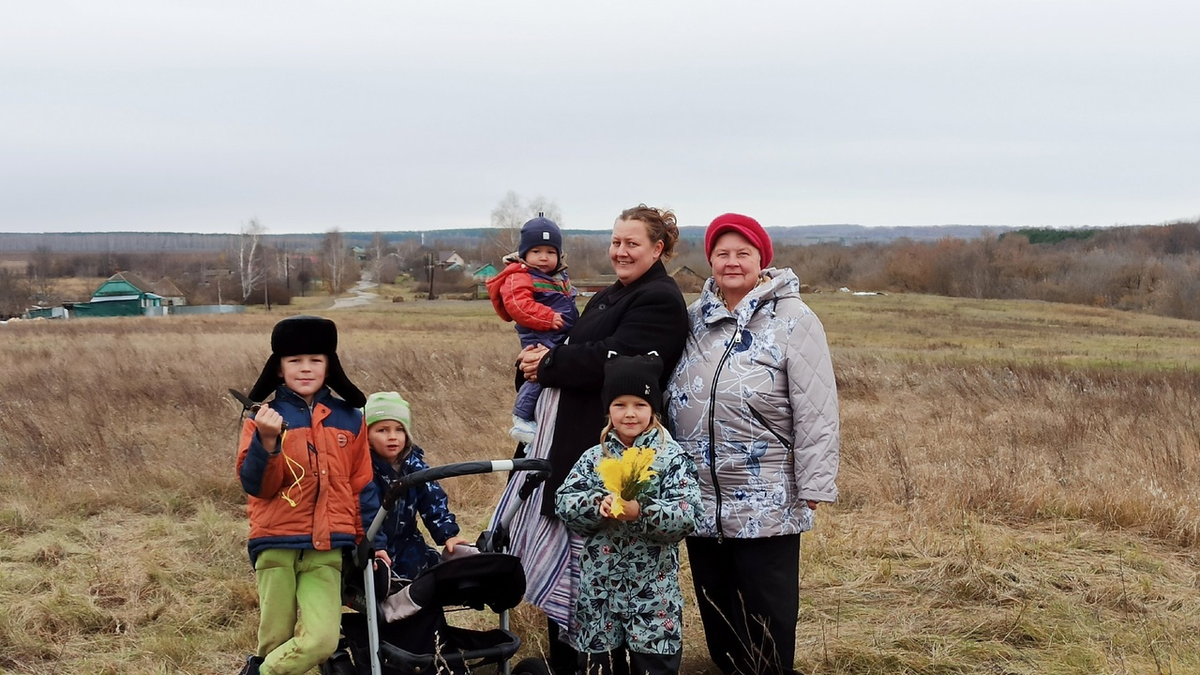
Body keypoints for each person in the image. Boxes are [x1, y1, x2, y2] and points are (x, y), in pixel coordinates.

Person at [493, 204, 690, 675]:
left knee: (599, 578)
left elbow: (615, 362)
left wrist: (550, 364)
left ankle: (602, 664)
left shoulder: (658, 299)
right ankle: (575, 661)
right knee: (579, 582)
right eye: (616, 242)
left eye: (631, 243)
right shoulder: (611, 295)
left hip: (616, 459)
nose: (620, 251)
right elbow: (569, 347)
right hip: (574, 451)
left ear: (657, 248)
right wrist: (536, 363)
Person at [666, 213, 840, 675]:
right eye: (722, 253)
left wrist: (816, 482)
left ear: (762, 259)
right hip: (700, 495)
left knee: (767, 613)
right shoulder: (693, 320)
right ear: (710, 261)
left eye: (743, 253)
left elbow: (817, 408)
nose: (732, 262)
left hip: (768, 495)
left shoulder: (794, 319)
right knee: (718, 608)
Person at [235, 315, 375, 675]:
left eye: (315, 359)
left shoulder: (351, 418)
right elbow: (257, 486)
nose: (305, 368)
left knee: (321, 641)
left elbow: (362, 486)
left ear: (330, 366)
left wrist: (375, 541)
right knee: (276, 641)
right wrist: (267, 441)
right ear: (279, 369)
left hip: (328, 548)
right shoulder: (260, 418)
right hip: (276, 544)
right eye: (294, 361)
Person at [555, 354, 701, 675]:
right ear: (608, 408)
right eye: (620, 404)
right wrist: (597, 505)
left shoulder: (670, 456)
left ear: (653, 409)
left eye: (640, 404)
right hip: (599, 598)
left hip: (652, 599)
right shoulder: (594, 457)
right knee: (599, 669)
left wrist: (641, 512)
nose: (630, 414)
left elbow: (687, 513)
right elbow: (564, 502)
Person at [486, 216, 579, 444]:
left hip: (558, 333)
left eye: (550, 251)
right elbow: (517, 306)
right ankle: (522, 418)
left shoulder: (557, 277)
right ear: (524, 254)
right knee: (539, 372)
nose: (543, 257)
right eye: (536, 251)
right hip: (540, 334)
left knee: (555, 373)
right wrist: (547, 318)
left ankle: (541, 422)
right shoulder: (520, 276)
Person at [362, 390, 470, 582]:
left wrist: (448, 535)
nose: (392, 437)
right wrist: (375, 545)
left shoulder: (415, 465)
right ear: (367, 437)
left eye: (399, 429)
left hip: (409, 541)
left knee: (428, 584)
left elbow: (433, 500)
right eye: (382, 430)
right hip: (373, 546)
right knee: (385, 591)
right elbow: (364, 512)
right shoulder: (363, 469)